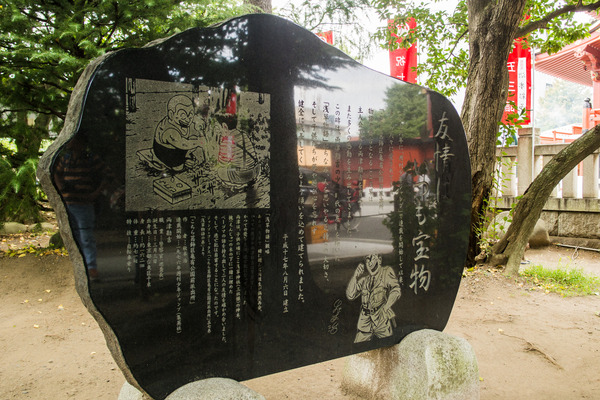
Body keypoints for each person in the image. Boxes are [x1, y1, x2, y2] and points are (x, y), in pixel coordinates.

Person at [53, 134, 111, 281]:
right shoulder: (66, 158)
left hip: (84, 204)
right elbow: (56, 174)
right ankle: (78, 268)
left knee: (86, 237)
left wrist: (95, 194)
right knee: (74, 236)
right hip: (68, 203)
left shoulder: (91, 158)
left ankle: (91, 268)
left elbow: (108, 175)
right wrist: (62, 189)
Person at [346, 254, 401, 343]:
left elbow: (396, 290)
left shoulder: (386, 272)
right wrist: (355, 276)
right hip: (365, 321)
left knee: (388, 344)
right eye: (367, 259)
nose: (370, 262)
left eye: (372, 258)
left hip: (381, 319)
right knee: (358, 346)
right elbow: (350, 295)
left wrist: (386, 307)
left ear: (379, 260)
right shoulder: (364, 280)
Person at [153, 95, 202, 172]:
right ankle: (176, 163)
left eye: (190, 114)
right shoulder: (169, 130)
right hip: (166, 153)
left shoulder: (178, 122)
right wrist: (199, 142)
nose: (188, 119)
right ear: (171, 115)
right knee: (179, 167)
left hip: (176, 148)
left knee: (193, 139)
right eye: (183, 115)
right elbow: (183, 144)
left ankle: (185, 158)